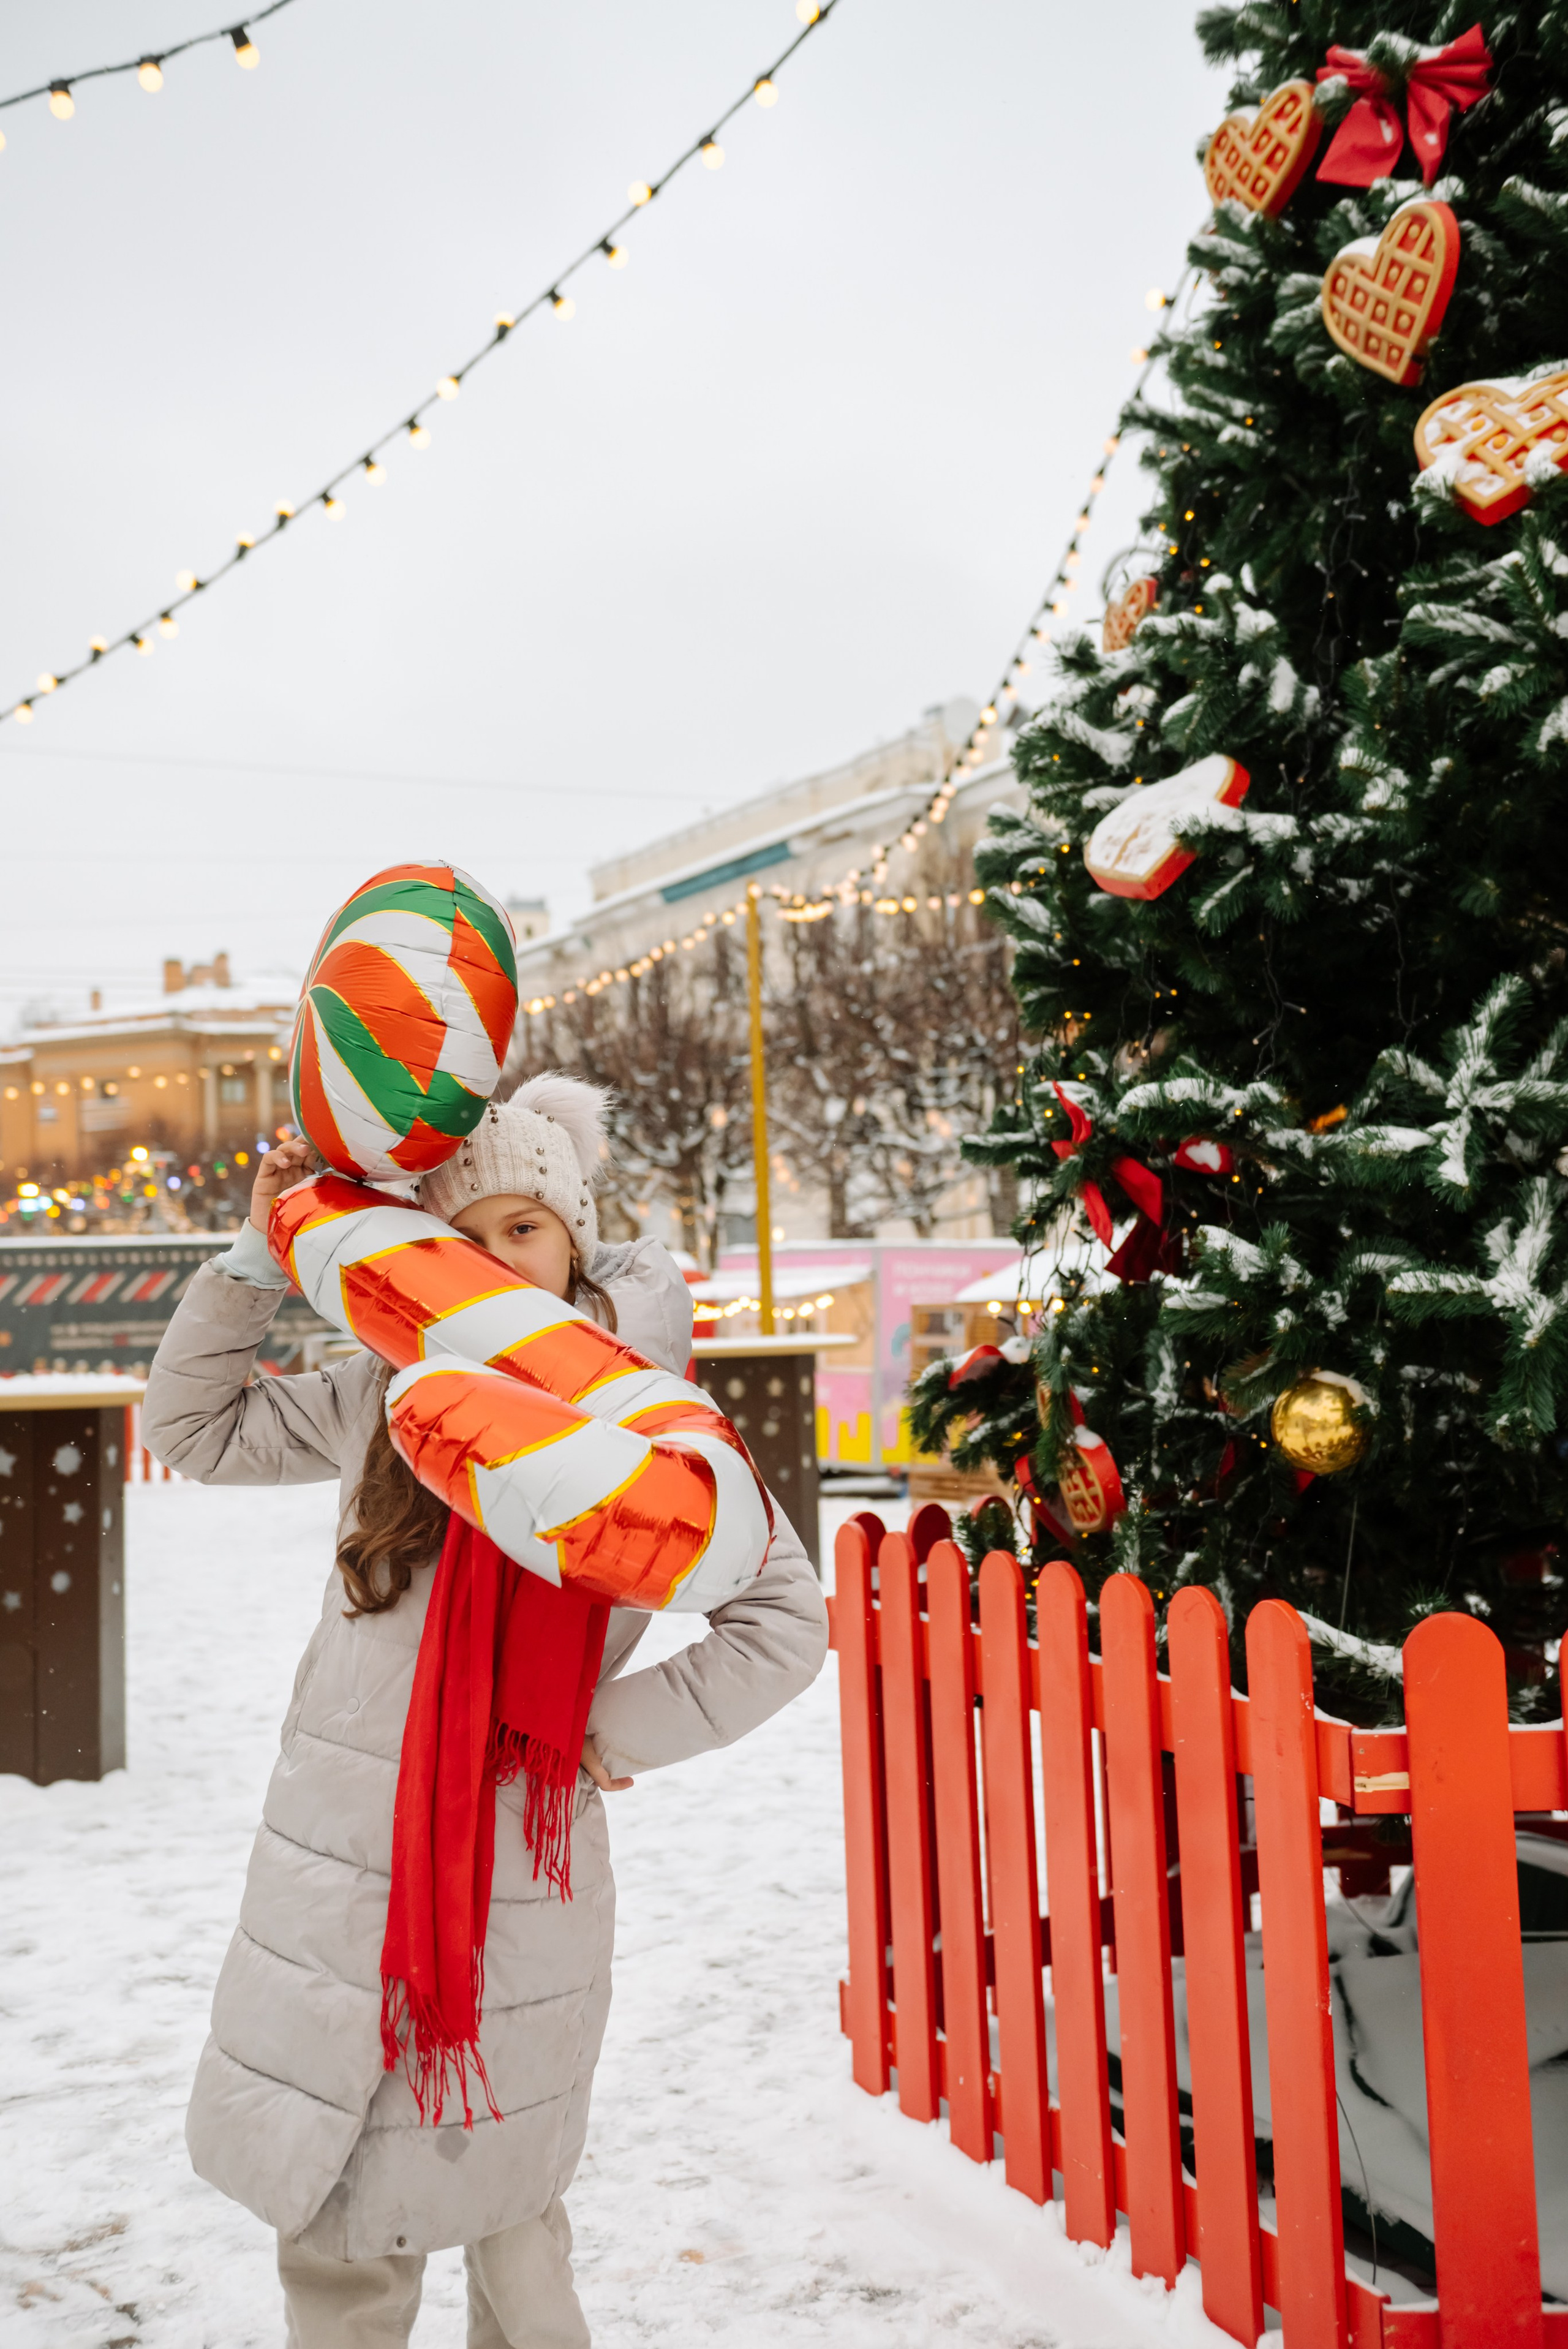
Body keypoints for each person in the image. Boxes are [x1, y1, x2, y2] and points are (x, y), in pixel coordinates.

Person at [141, 1073, 828, 2349]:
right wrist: (254, 1256)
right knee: (333, 2213)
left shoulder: (645, 1420)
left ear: (574, 1236)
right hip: (337, 1864)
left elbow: (782, 1623)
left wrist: (593, 1734)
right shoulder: (380, 1392)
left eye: (524, 1227)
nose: (499, 1258)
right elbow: (195, 1429)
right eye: (461, 1238)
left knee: (508, 2214)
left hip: (514, 1877)